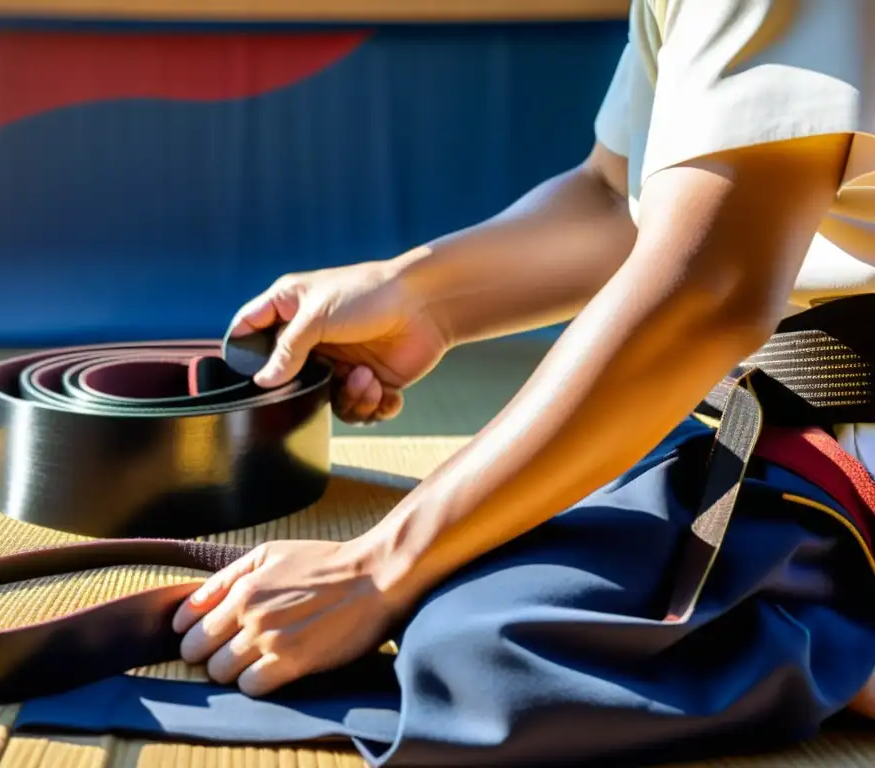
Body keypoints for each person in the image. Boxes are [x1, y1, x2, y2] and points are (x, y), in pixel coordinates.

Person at [173, 0, 875, 742]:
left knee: (474, 651)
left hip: (843, 451)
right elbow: (619, 198)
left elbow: (708, 290)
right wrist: (417, 296)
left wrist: (377, 566)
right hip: (787, 436)